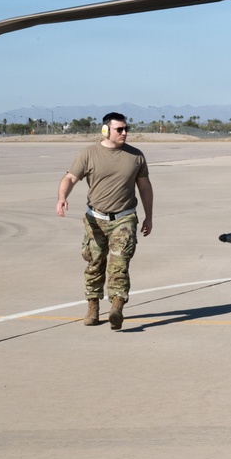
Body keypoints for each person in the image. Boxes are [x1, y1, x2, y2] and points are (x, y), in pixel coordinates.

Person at [57, 113, 153, 330]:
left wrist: (149, 216)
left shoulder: (136, 156)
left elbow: (145, 187)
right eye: (119, 129)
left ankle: (117, 308)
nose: (125, 133)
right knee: (94, 263)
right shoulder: (89, 154)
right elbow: (70, 178)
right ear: (106, 130)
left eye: (126, 129)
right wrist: (62, 198)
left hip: (124, 218)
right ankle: (93, 307)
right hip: (95, 219)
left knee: (120, 264)